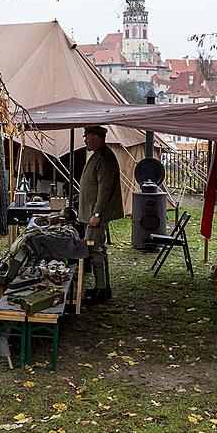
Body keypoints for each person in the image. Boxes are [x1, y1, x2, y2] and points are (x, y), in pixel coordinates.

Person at [78, 125, 123, 304]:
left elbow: (105, 189)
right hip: (89, 213)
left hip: (95, 216)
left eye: (87, 136)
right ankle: (102, 286)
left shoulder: (104, 158)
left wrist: (97, 213)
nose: (85, 140)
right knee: (97, 249)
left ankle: (101, 289)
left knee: (94, 249)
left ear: (96, 137)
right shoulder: (97, 155)